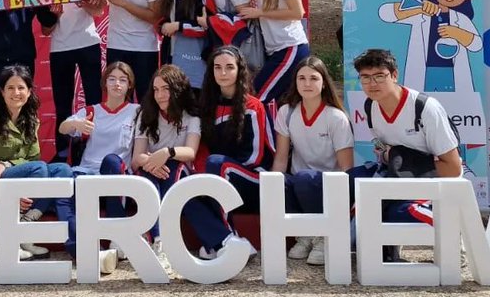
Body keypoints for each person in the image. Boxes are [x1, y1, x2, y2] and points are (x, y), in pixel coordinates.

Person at [351, 48, 462, 261]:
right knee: (347, 184)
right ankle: (383, 247)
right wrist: (390, 157)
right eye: (365, 78)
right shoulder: (370, 106)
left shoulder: (425, 108)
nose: (372, 84)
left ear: (394, 75)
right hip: (398, 177)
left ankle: (456, 239)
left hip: (433, 182)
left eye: (379, 76)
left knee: (397, 214)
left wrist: (403, 159)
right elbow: (386, 151)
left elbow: (453, 168)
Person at [0, 65, 73, 260]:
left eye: (21, 88)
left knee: (62, 170)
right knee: (39, 170)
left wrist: (7, 164)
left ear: (29, 92)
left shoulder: (31, 119)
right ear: (2, 92)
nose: (16, 93)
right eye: (10, 88)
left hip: (20, 195)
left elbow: (33, 160)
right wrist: (9, 190)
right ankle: (8, 238)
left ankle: (21, 231)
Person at [185, 46, 273, 257]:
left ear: (239, 70)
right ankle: (226, 241)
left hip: (251, 178)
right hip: (218, 175)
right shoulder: (205, 107)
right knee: (186, 194)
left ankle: (222, 241)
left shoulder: (254, 106)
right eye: (217, 67)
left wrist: (218, 170)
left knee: (218, 165)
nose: (223, 73)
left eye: (229, 67)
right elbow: (202, 151)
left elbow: (258, 155)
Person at [55, 62, 139, 274]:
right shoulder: (92, 111)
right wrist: (77, 125)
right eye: (112, 79)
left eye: (122, 80)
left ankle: (117, 236)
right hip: (87, 172)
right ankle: (81, 249)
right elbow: (63, 127)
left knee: (111, 161)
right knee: (64, 190)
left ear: (129, 85)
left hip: (116, 173)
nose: (117, 84)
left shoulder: (137, 112)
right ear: (105, 83)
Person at [271, 56, 353, 265]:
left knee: (305, 178)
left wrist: (342, 203)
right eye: (302, 78)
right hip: (300, 181)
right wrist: (271, 184)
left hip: (326, 185)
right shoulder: (287, 112)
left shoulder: (336, 117)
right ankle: (305, 235)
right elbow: (281, 159)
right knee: (278, 182)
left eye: (313, 78)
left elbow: (346, 168)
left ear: (324, 82)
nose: (307, 84)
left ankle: (323, 236)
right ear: (295, 82)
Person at [34, 0, 105, 160]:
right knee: (62, 104)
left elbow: (98, 11)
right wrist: (53, 16)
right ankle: (63, 154)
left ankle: (96, 148)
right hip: (60, 47)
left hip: (87, 42)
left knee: (94, 100)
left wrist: (85, 3)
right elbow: (46, 30)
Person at [129, 64, 201, 266]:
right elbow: (137, 158)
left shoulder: (191, 115)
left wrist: (166, 152)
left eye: (166, 89)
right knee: (151, 177)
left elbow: (190, 153)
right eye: (156, 89)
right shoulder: (146, 114)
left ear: (177, 89)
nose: (160, 95)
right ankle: (159, 242)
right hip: (151, 168)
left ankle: (165, 242)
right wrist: (153, 162)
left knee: (171, 168)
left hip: (177, 168)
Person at [377, 0, 480, 92]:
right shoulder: (421, 13)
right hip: (423, 73)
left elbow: (476, 45)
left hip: (452, 74)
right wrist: (417, 8)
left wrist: (457, 33)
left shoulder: (461, 19)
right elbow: (385, 13)